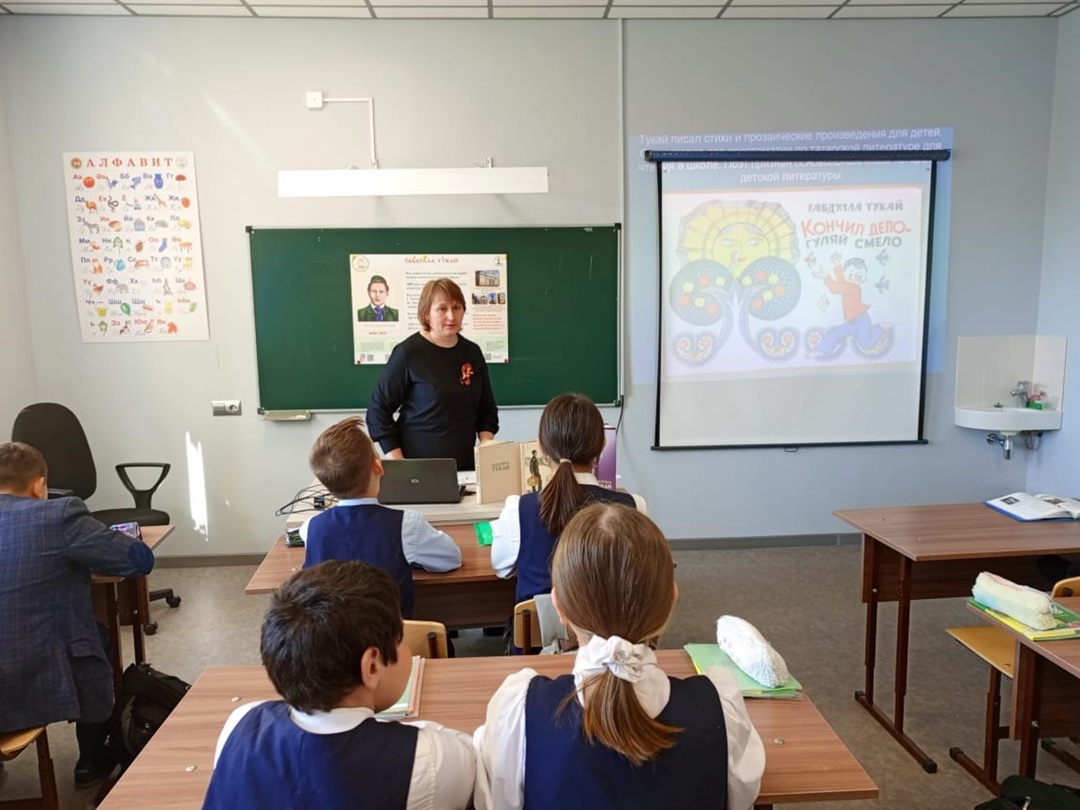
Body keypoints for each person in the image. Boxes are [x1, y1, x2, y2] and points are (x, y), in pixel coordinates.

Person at [474, 503, 765, 809]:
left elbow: (493, 799)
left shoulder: (518, 715)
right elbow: (742, 795)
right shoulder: (722, 711)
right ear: (671, 600)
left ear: (557, 605)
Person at [204, 560, 475, 809]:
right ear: (371, 666)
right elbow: (473, 763)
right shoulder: (430, 759)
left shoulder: (239, 723)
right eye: (400, 638)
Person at [0, 441, 155, 787]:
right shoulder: (59, 515)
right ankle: (92, 757)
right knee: (98, 638)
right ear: (40, 485)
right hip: (31, 671)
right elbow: (138, 560)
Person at [491, 393, 646, 604]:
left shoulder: (518, 510)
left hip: (541, 625)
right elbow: (638, 574)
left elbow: (501, 569)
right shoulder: (635, 507)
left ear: (541, 446)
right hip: (609, 624)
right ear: (603, 444)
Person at [302, 416, 461, 619]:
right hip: (389, 636)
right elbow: (451, 558)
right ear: (378, 467)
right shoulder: (407, 525)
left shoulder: (310, 528)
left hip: (332, 637)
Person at [367, 277, 499, 472]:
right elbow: (377, 412)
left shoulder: (472, 352)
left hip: (467, 470)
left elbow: (487, 409)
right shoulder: (408, 353)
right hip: (417, 471)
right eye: (442, 309)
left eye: (457, 307)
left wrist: (485, 445)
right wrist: (399, 464)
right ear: (426, 313)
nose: (451, 316)